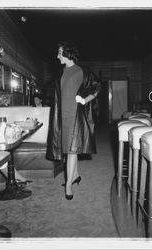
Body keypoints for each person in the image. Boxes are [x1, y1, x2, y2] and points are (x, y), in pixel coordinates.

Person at [46, 41, 101, 200]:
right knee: (67, 149)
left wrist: (85, 100)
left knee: (71, 149)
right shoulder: (60, 73)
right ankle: (75, 175)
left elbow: (97, 87)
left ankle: (69, 184)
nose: (57, 56)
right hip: (61, 116)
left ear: (67, 53)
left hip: (76, 116)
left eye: (59, 53)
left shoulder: (83, 71)